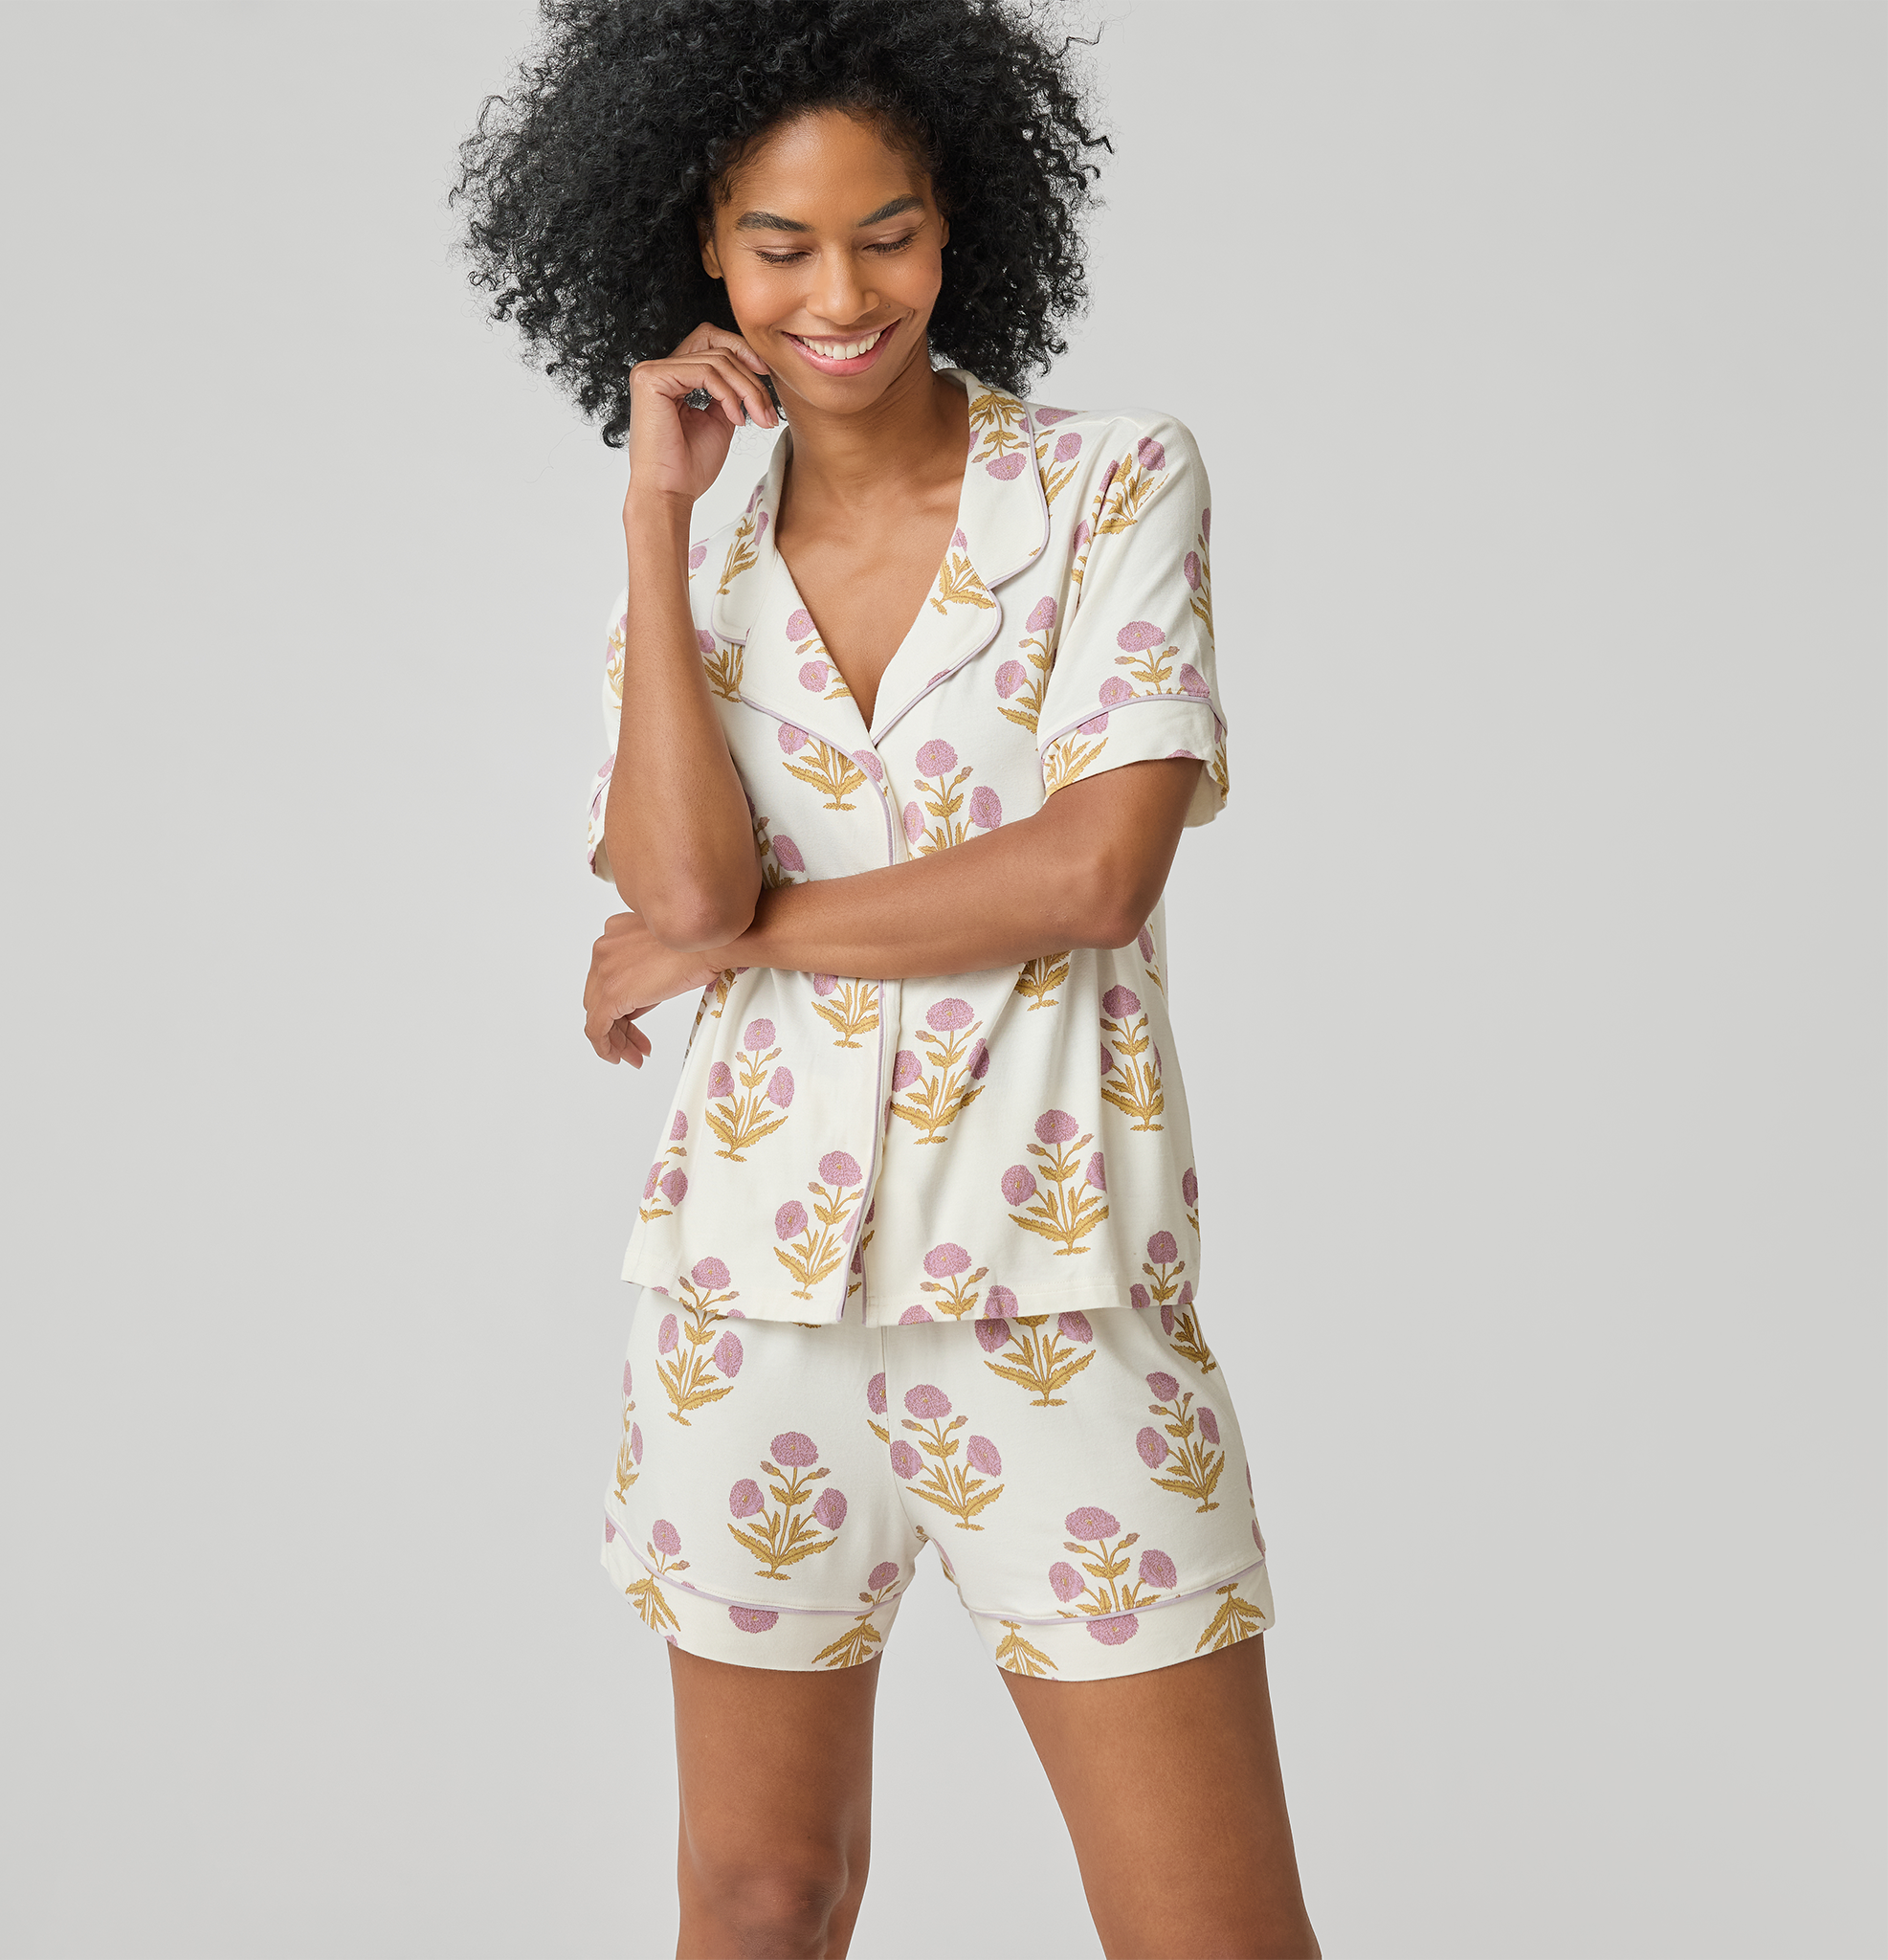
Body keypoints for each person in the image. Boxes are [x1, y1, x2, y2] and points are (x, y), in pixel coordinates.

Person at [457, 4, 1321, 1953]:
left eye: (889, 233)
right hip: (742, 1302)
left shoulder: (1108, 485)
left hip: (1053, 1292)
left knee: (1210, 1931)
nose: (840, 296)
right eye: (780, 246)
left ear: (960, 226)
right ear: (701, 244)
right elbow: (678, 881)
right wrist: (654, 515)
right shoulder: (696, 561)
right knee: (759, 1896)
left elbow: (1094, 871)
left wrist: (736, 943)